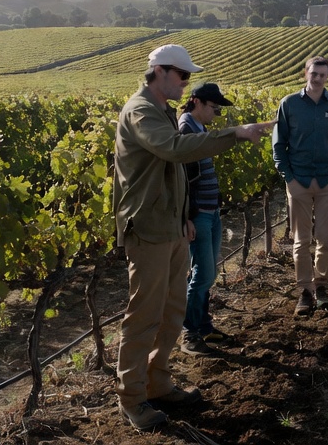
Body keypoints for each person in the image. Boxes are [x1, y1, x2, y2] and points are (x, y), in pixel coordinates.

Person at [114, 44, 274, 431]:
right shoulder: (140, 110)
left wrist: (185, 216)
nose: (187, 84)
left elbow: (174, 174)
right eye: (183, 76)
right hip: (148, 228)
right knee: (143, 316)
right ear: (162, 72)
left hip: (171, 226)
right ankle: (132, 398)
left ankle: (158, 381)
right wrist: (233, 134)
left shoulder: (164, 111)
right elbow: (173, 152)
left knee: (171, 311)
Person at [273, 55, 328, 316]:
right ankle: (305, 291)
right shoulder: (290, 104)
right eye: (313, 73)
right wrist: (289, 178)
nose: (317, 78)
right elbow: (278, 146)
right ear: (304, 73)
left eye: (322, 74)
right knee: (301, 241)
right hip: (299, 182)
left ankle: (322, 286)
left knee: (326, 240)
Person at [177, 82, 236, 357]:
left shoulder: (199, 128)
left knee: (207, 273)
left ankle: (203, 325)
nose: (215, 114)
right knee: (202, 274)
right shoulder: (186, 129)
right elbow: (184, 180)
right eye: (214, 108)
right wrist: (188, 216)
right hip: (198, 213)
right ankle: (189, 333)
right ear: (196, 102)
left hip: (210, 211)